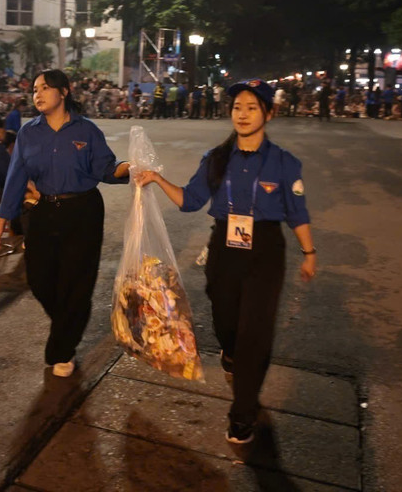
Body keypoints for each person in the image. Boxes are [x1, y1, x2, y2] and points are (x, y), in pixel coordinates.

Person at [135, 79, 316, 445]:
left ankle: (242, 414)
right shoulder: (216, 159)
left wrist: (309, 253)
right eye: (237, 107)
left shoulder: (284, 163)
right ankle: (230, 353)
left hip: (266, 250)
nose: (243, 114)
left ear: (269, 113)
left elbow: (297, 212)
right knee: (225, 320)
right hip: (224, 246)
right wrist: (156, 179)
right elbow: (189, 200)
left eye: (252, 107)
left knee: (256, 334)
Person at [0, 69, 130, 377]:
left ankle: (61, 351)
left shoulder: (87, 131)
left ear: (64, 92)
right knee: (39, 280)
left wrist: (132, 167)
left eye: (45, 88)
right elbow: (16, 177)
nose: (37, 94)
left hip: (83, 212)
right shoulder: (29, 132)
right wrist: (2, 219)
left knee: (77, 284)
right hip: (42, 211)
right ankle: (67, 321)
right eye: (34, 89)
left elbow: (106, 168)